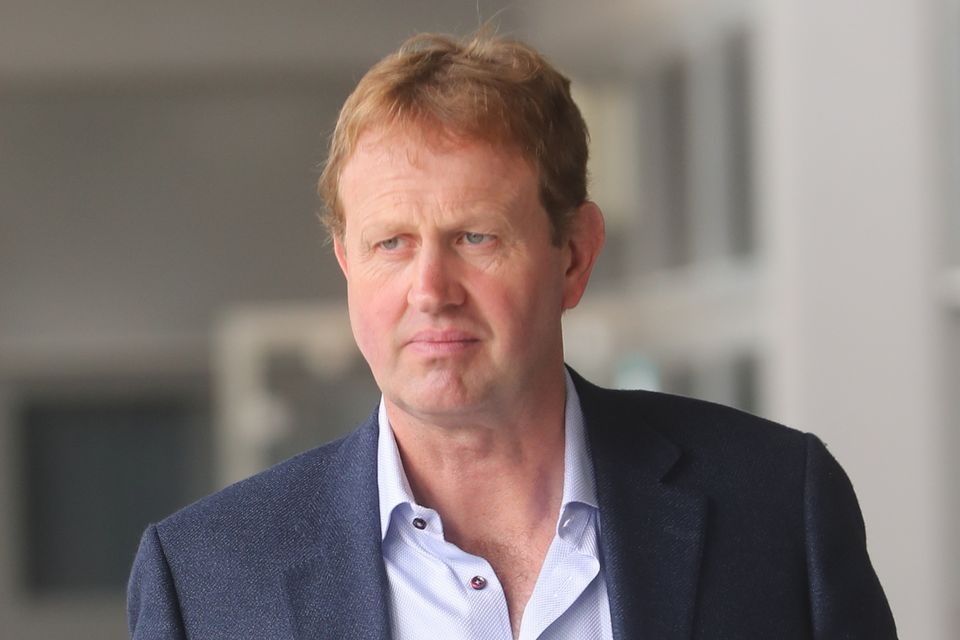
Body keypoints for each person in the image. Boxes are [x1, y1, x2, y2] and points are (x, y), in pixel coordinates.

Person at [127, 30, 897, 640]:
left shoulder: (775, 506)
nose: (431, 291)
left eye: (476, 238)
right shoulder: (205, 580)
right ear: (347, 266)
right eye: (391, 243)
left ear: (575, 255)